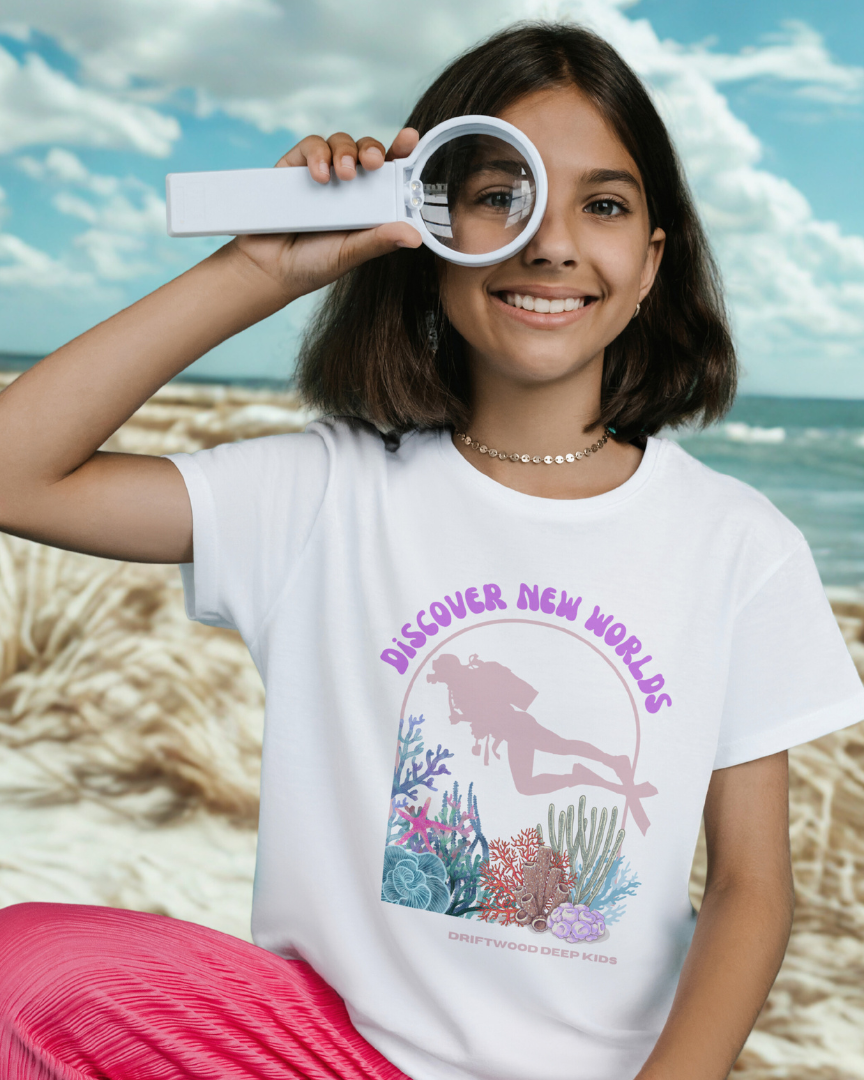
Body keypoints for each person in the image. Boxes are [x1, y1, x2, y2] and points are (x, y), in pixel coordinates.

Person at [0, 20, 861, 1080]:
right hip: (330, 1056)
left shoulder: (740, 546)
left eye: (603, 204)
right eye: (502, 193)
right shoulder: (323, 493)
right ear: (425, 228)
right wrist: (264, 267)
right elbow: (13, 471)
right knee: (22, 965)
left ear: (649, 264)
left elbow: (750, 890)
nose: (550, 240)